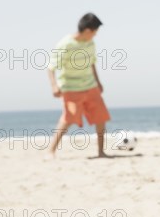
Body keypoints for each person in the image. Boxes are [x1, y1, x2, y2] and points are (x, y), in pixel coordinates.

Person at [46, 13, 111, 159]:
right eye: (95, 32)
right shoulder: (65, 44)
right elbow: (51, 68)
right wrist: (54, 86)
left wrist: (98, 82)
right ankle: (51, 151)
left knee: (100, 118)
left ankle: (101, 152)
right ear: (88, 31)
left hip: (90, 85)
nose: (95, 35)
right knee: (68, 119)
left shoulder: (90, 43)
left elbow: (92, 63)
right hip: (71, 88)